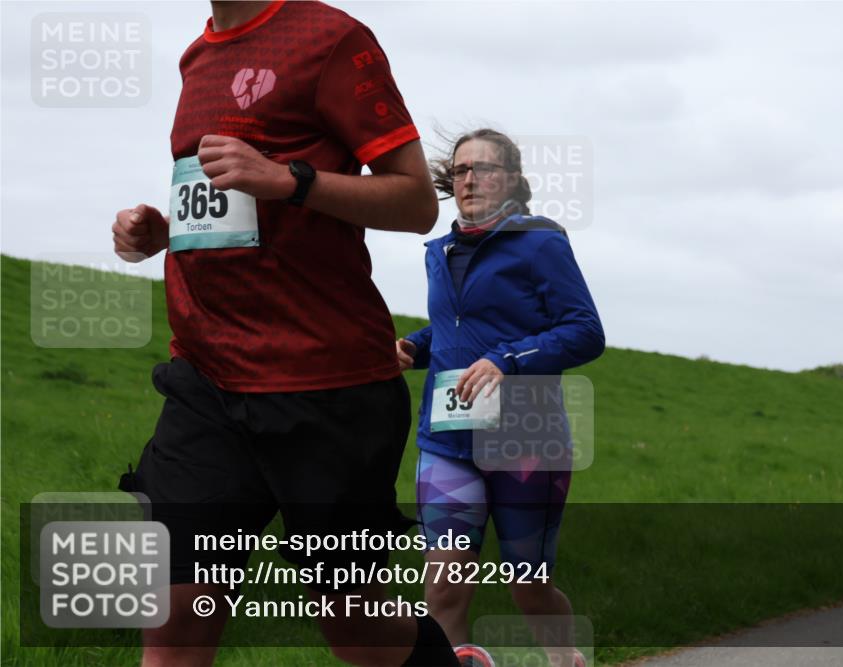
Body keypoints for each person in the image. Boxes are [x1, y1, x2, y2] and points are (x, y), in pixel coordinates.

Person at [111, 2, 460, 665]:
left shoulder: (331, 39)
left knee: (358, 631)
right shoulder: (198, 55)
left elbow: (415, 202)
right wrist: (165, 234)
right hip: (206, 381)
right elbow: (225, 200)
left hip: (327, 387)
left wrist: (290, 180)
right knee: (174, 621)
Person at [397, 129, 604, 666]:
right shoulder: (438, 251)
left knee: (528, 590)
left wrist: (507, 361)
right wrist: (412, 347)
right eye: (461, 170)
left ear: (511, 179)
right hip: (447, 441)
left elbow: (585, 331)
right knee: (444, 587)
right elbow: (456, 329)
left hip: (526, 443)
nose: (469, 179)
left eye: (483, 169)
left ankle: (565, 661)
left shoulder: (541, 243)